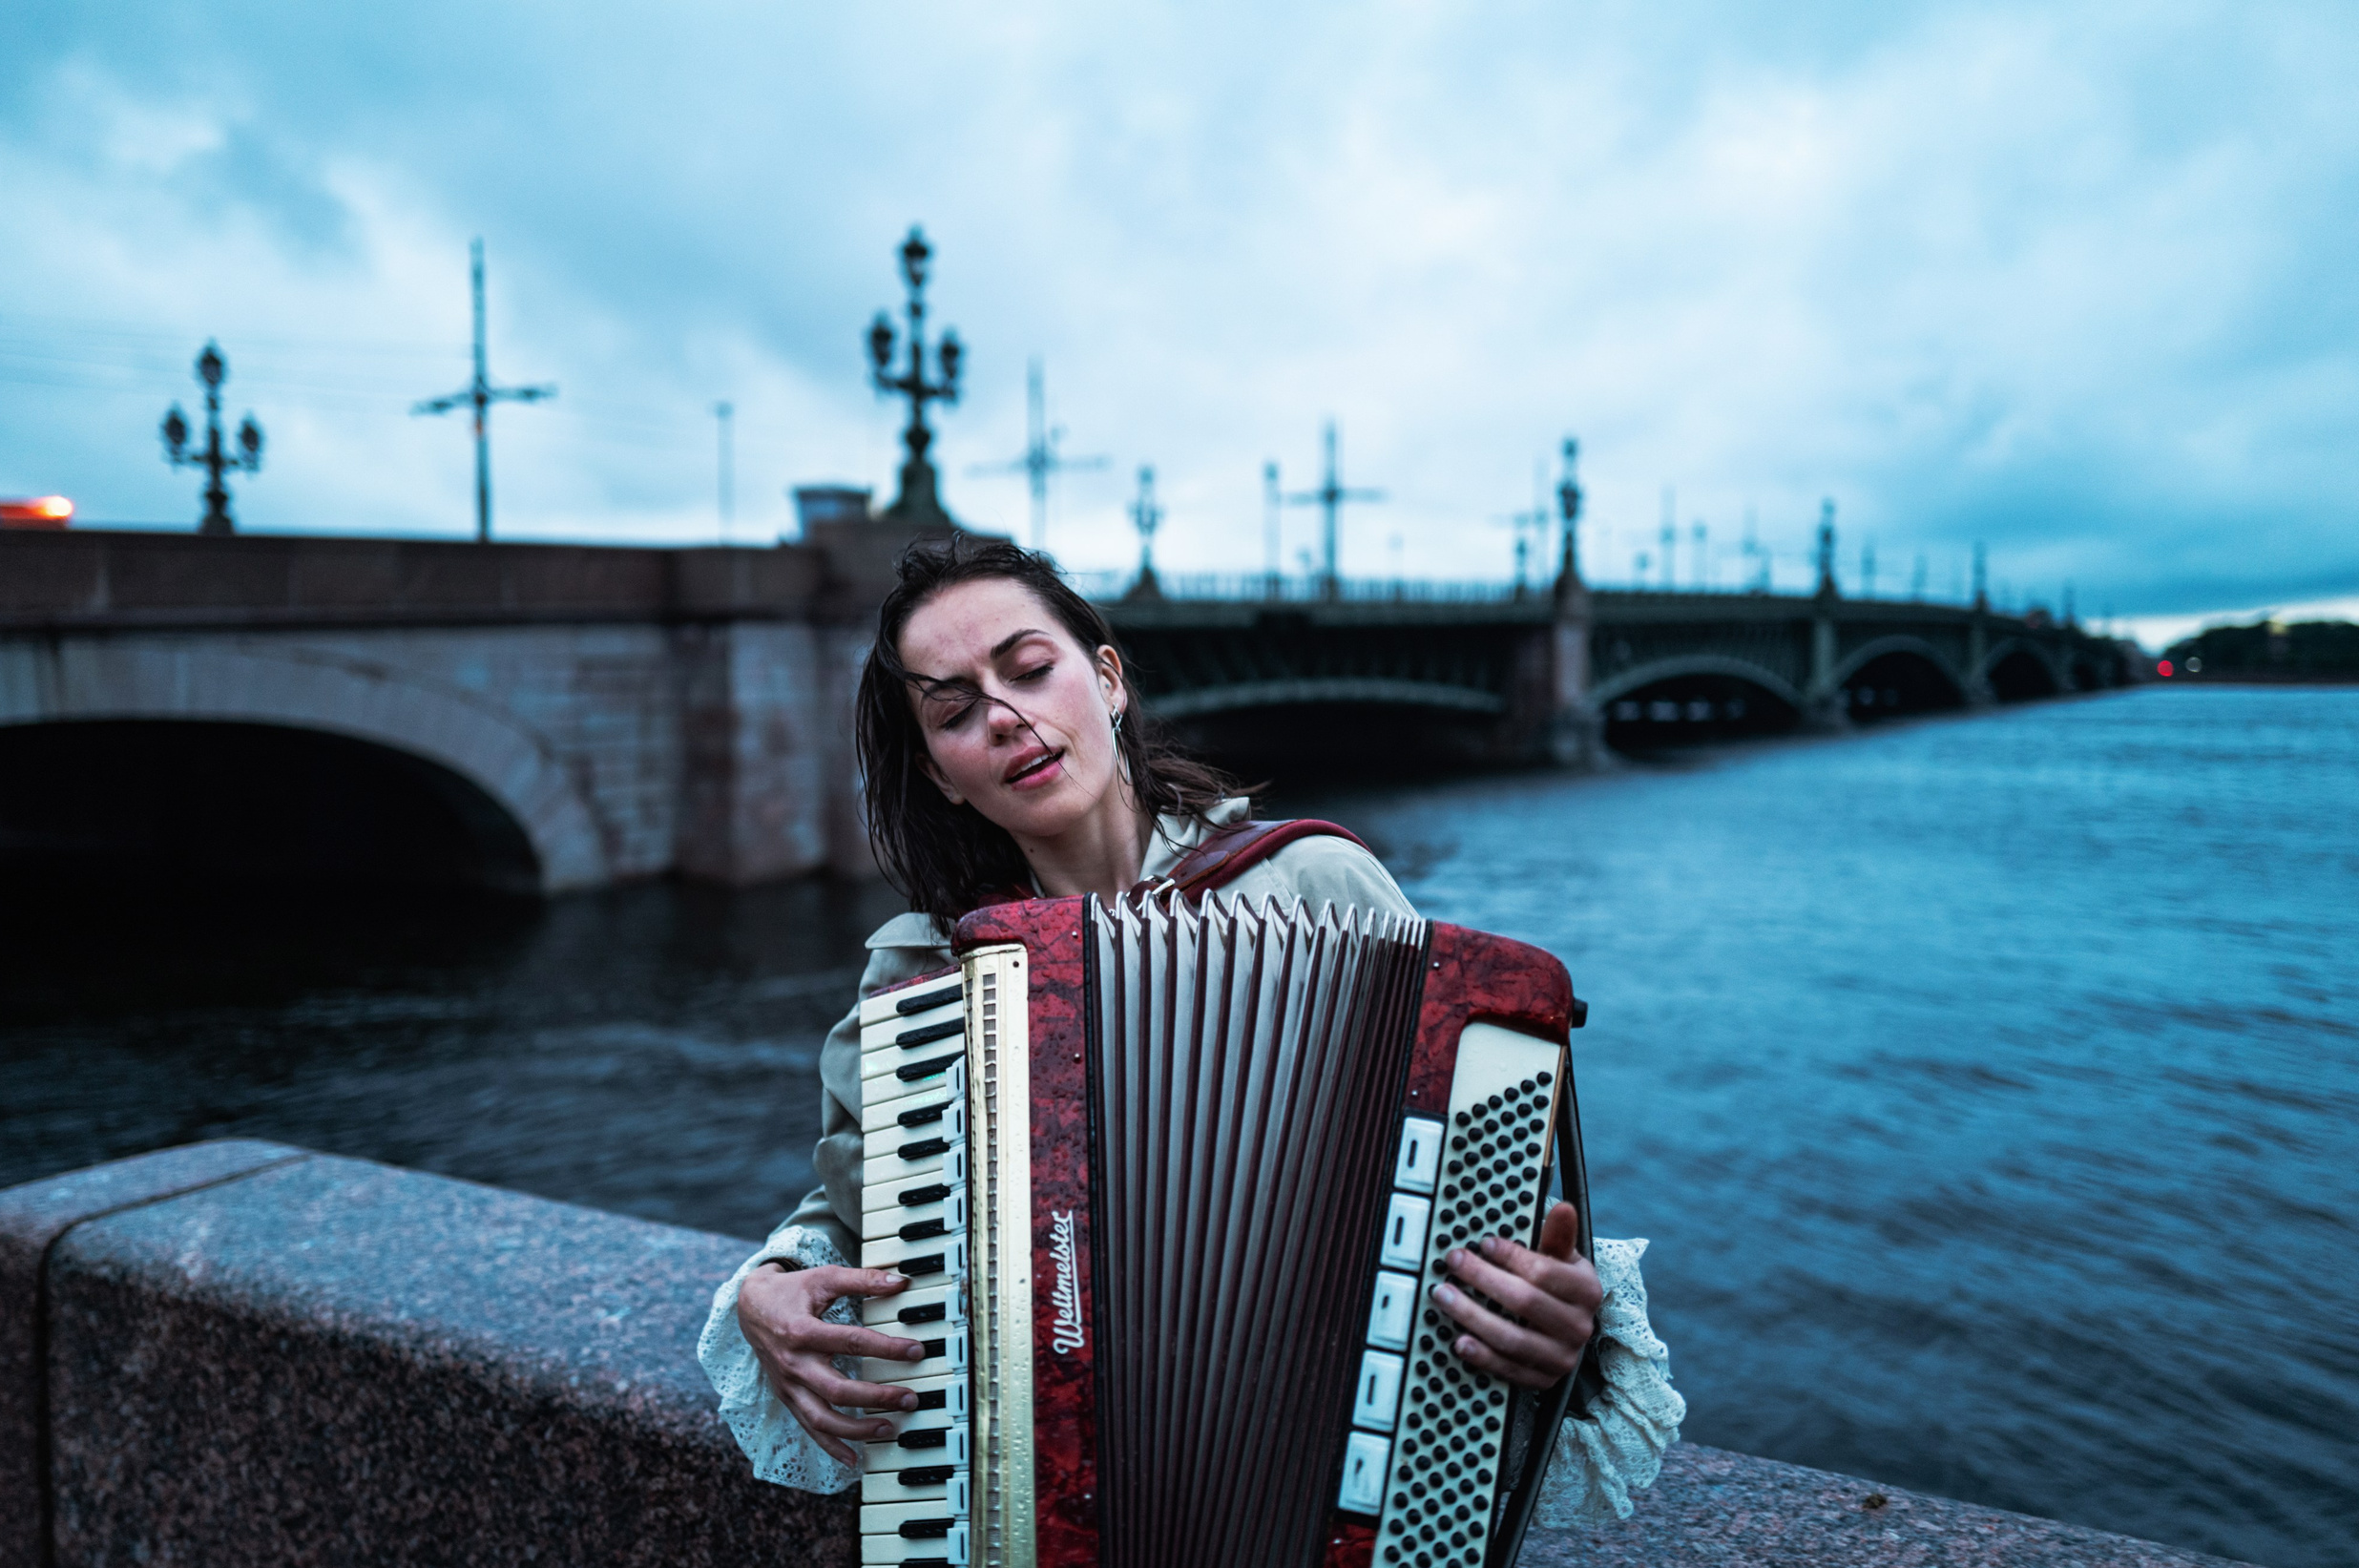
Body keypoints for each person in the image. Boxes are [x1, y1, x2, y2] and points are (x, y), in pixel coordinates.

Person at [699, 534, 1681, 1516]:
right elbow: (863, 1214)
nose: (1004, 717)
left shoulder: (1318, 889)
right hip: (1038, 1507)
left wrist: (1555, 1328)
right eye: (954, 711)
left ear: (1109, 679)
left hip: (1324, 1503)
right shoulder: (924, 976)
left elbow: (1481, 1227)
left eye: (1031, 669)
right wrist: (775, 1278)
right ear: (944, 775)